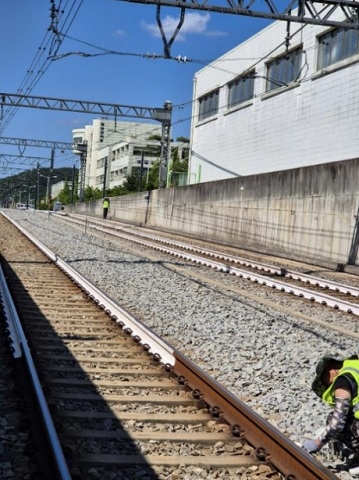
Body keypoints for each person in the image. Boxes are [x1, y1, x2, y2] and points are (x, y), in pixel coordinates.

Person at [302, 355, 359, 455]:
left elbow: (338, 423)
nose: (327, 382)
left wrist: (317, 443)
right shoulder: (355, 366)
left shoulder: (343, 381)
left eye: (325, 378)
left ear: (330, 368)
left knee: (332, 418)